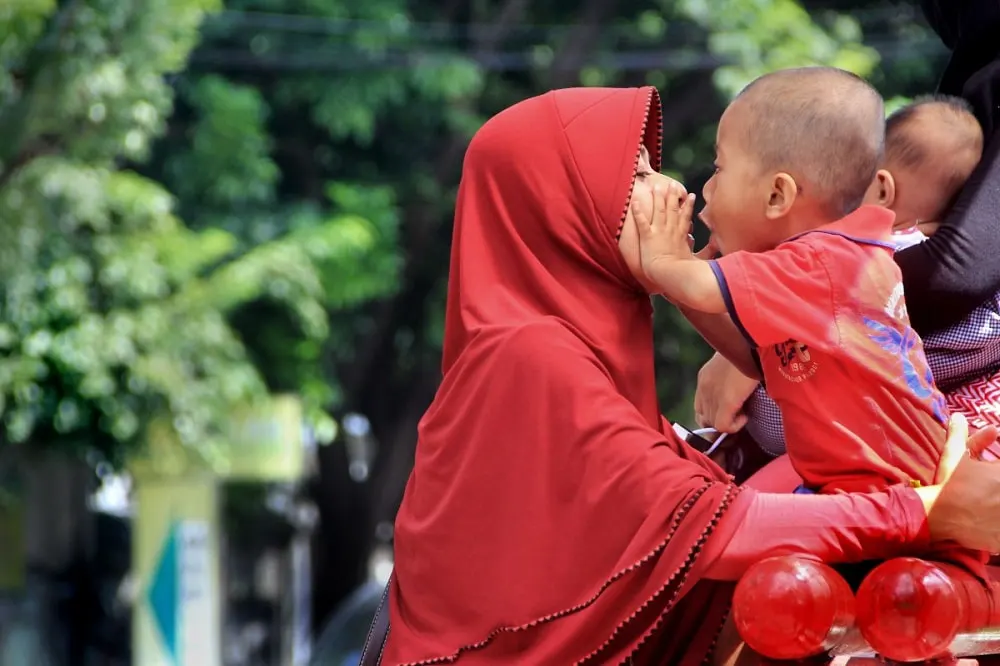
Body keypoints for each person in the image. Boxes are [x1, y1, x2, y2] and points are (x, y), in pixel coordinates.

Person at [381, 85, 1000, 666]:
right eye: (640, 175)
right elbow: (713, 527)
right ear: (562, 203)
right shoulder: (529, 354)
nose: (677, 190)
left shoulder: (576, 347)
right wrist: (925, 511)